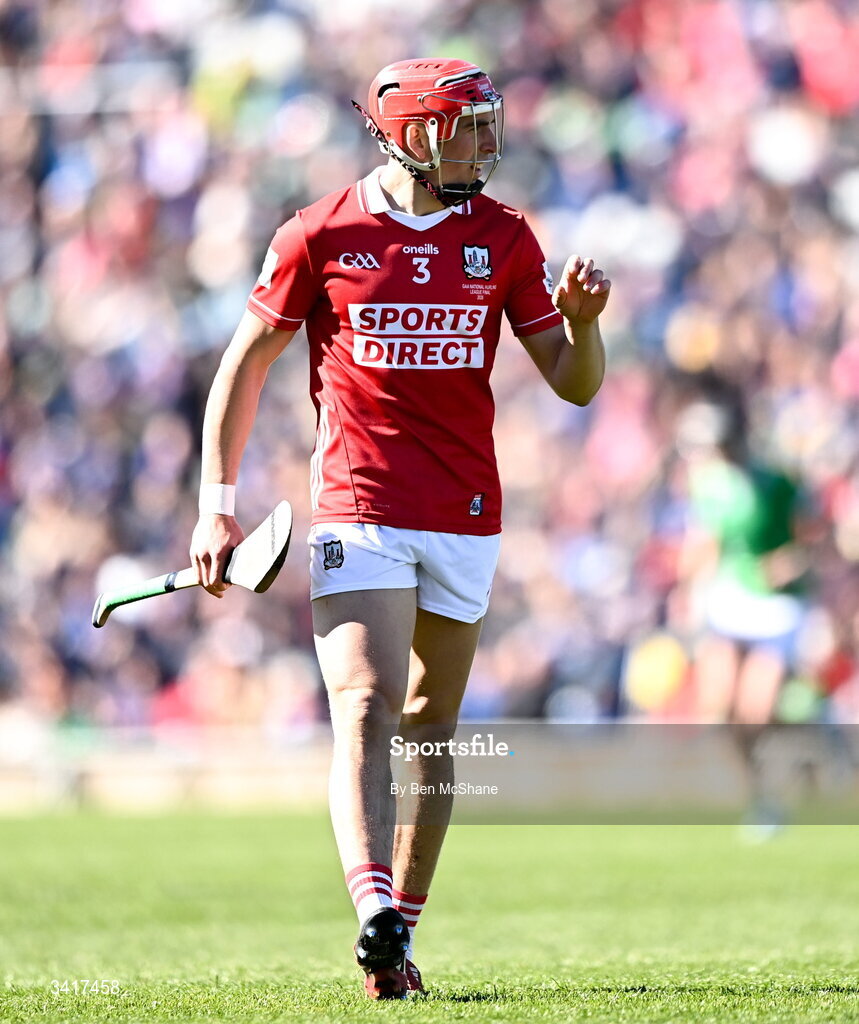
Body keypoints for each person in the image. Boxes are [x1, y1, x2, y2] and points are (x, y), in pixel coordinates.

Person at [189, 57, 610, 999]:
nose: (488, 145)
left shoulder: (504, 236)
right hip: (359, 504)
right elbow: (242, 370)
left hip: (464, 512)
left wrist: (585, 327)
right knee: (368, 706)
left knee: (429, 729)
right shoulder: (318, 233)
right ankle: (372, 905)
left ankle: (399, 940)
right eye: (470, 127)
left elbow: (574, 384)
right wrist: (215, 506)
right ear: (415, 133)